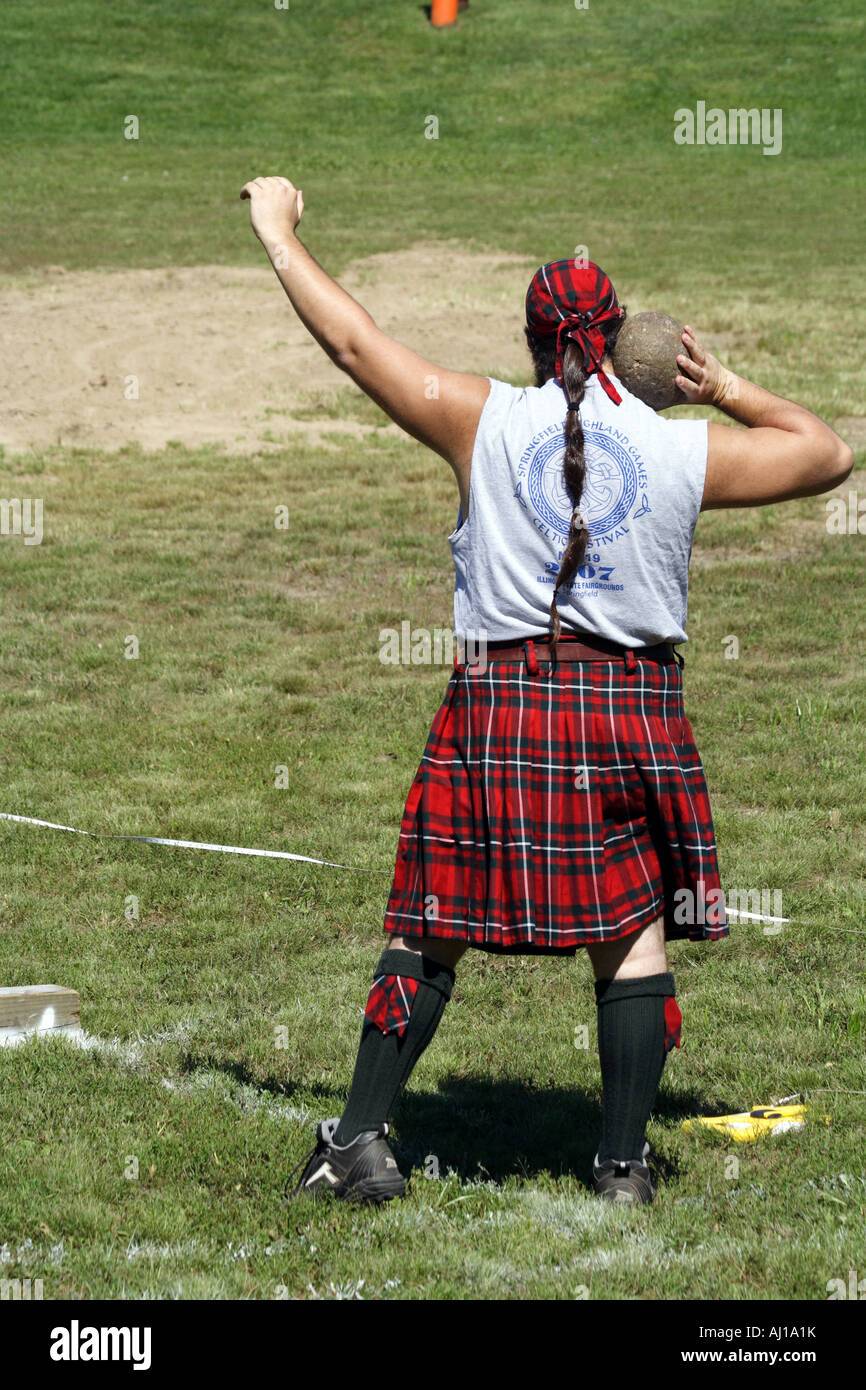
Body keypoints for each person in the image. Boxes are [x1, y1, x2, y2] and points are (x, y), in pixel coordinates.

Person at [240, 177, 853, 1204]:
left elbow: (353, 344)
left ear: (533, 341)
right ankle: (618, 1166)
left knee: (432, 921)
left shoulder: (478, 417)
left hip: (501, 705)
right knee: (629, 932)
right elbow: (827, 452)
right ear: (616, 343)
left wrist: (276, 233)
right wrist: (727, 386)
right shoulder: (676, 446)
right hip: (630, 708)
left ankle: (356, 1142)